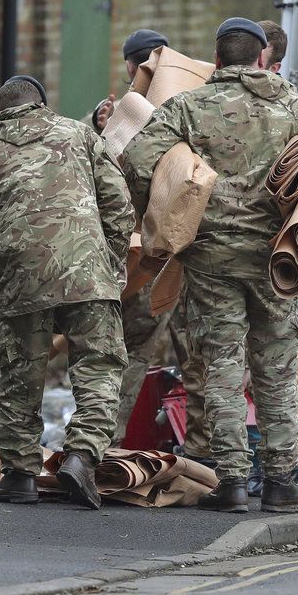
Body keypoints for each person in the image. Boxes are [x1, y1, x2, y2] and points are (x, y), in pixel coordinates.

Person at [123, 17, 298, 513]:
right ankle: (281, 481)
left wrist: (172, 207)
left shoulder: (187, 107)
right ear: (260, 58)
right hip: (278, 259)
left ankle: (230, 481)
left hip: (210, 259)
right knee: (276, 370)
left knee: (222, 369)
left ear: (218, 60)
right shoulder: (295, 108)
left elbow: (136, 160)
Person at [0, 75, 132, 509]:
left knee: (20, 377)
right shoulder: (79, 135)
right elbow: (119, 203)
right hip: (88, 273)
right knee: (99, 367)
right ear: (43, 105)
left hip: (21, 280)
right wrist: (112, 261)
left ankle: (19, 475)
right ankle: (84, 455)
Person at [94, 29, 211, 464]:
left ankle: (102, 447)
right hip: (194, 259)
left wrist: (102, 129)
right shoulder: (195, 106)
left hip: (143, 261)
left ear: (132, 66)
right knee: (199, 359)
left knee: (125, 356)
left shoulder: (126, 116)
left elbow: (107, 181)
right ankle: (205, 455)